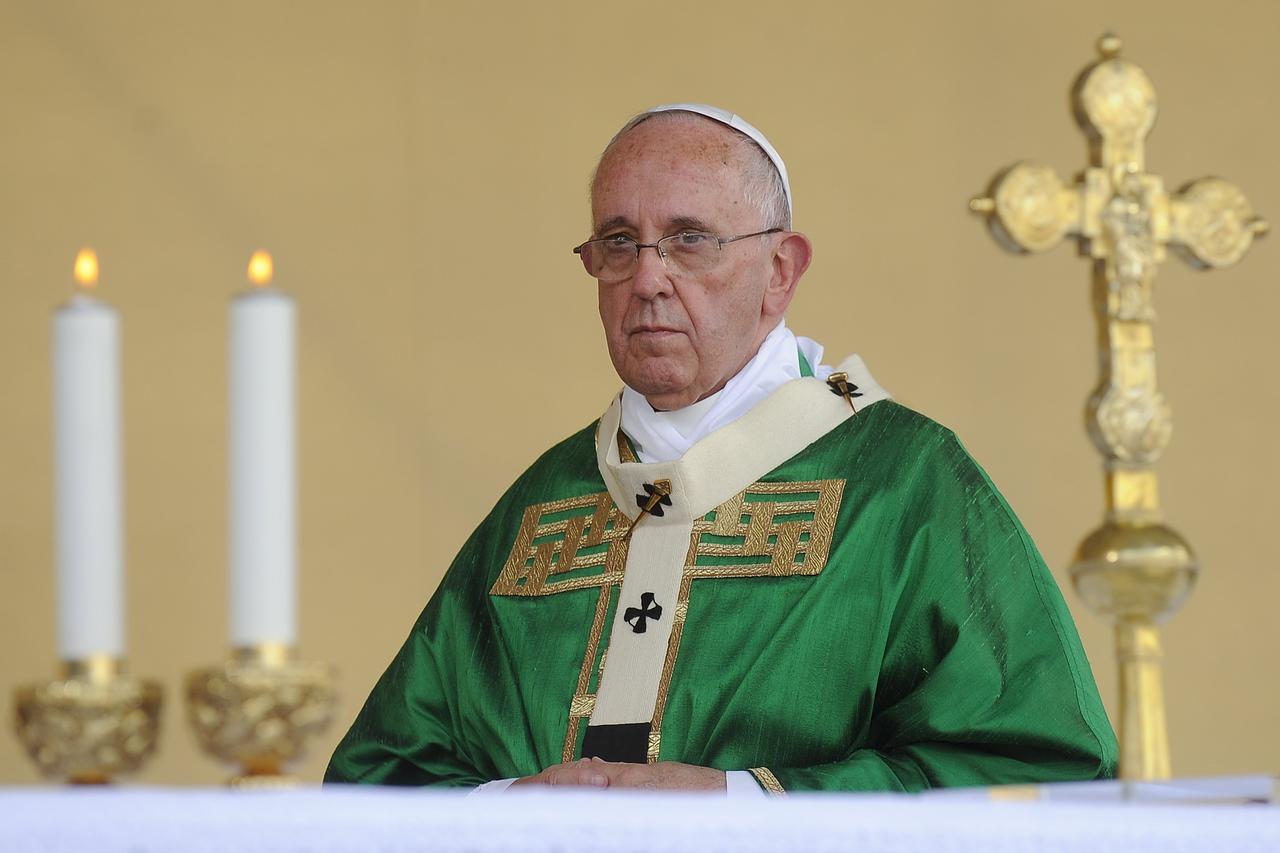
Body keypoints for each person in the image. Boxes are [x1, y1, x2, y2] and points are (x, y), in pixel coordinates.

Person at [324, 104, 1118, 795]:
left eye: (690, 240)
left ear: (781, 269)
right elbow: (381, 780)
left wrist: (739, 802)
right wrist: (519, 808)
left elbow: (1042, 767)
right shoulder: (543, 502)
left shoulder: (905, 484)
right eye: (617, 242)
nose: (648, 278)